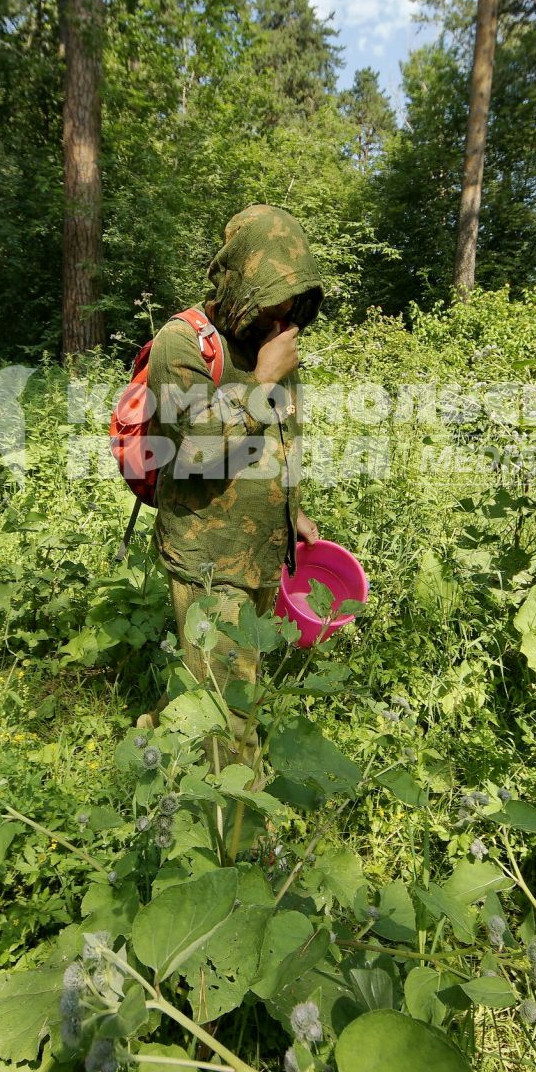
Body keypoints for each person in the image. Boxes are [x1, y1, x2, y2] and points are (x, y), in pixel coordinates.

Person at [144, 204, 323, 754]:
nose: (285, 310)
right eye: (273, 294)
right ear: (243, 278)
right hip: (210, 556)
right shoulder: (183, 345)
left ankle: (166, 732)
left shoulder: (273, 340)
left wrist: (291, 512)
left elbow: (272, 442)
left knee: (229, 683)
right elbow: (196, 449)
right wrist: (264, 377)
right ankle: (232, 830)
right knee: (227, 714)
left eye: (295, 297)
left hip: (262, 552)